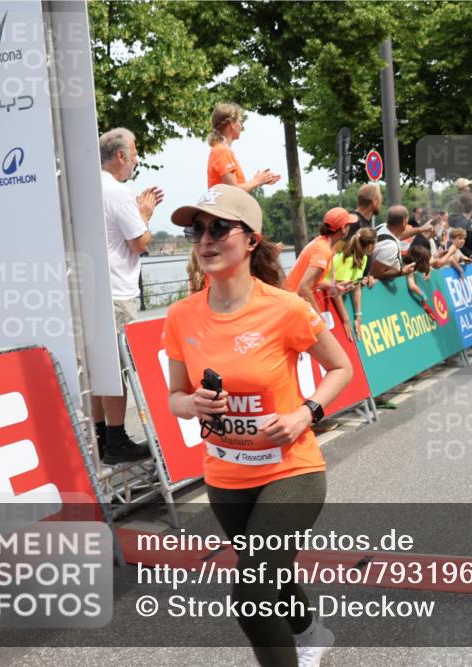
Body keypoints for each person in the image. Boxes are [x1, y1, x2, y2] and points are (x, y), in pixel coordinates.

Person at [165, 184, 351, 666]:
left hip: (291, 470)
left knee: (251, 591)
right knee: (270, 573)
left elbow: (341, 368)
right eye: (197, 230)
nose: (206, 239)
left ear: (251, 239)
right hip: (225, 476)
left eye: (219, 228)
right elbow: (174, 397)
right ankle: (310, 634)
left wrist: (305, 413)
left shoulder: (286, 308)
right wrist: (192, 404)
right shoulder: (181, 315)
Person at [96, 127, 163, 464]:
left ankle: (99, 438)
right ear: (120, 156)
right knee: (118, 369)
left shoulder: (86, 187)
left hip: (92, 290)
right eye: (134, 154)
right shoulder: (119, 191)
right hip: (118, 291)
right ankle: (116, 439)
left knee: (97, 369)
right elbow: (139, 242)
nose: (136, 160)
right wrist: (145, 213)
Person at [285, 207, 358, 341]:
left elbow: (310, 282)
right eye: (348, 224)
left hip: (291, 305)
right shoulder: (323, 250)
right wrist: (319, 319)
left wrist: (333, 285)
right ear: (343, 229)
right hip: (292, 309)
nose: (349, 228)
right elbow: (304, 288)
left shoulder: (321, 242)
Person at [207, 103, 281, 192]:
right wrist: (257, 181)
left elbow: (235, 189)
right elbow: (233, 190)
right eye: (240, 122)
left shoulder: (220, 150)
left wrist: (258, 181)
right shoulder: (223, 151)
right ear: (232, 124)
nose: (241, 126)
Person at [332, 227, 376, 338]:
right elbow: (335, 292)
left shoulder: (364, 258)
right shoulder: (347, 260)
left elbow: (356, 287)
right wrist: (346, 320)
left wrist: (358, 316)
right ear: (370, 246)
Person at [371, 205, 418, 280]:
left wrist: (422, 229)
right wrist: (403, 271)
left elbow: (401, 234)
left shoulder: (383, 227)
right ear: (404, 222)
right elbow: (376, 274)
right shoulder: (390, 246)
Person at [448, 193, 472, 260]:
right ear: (471, 207)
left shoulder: (463, 221)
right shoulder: (463, 223)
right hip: (463, 262)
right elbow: (459, 246)